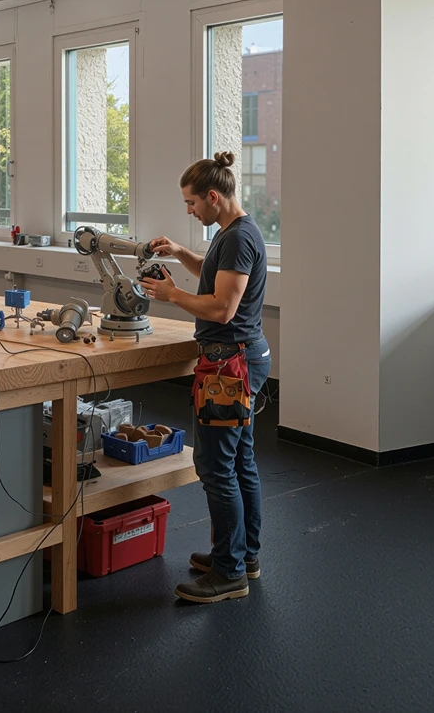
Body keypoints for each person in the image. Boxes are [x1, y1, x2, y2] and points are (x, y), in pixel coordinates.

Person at [141, 151, 270, 604]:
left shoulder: (238, 238)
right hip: (238, 358)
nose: (189, 211)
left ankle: (229, 572)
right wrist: (180, 254)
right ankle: (241, 556)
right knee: (240, 463)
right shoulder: (231, 233)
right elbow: (215, 279)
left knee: (216, 468)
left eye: (191, 203)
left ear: (213, 196)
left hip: (229, 364)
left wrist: (171, 295)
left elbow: (220, 307)